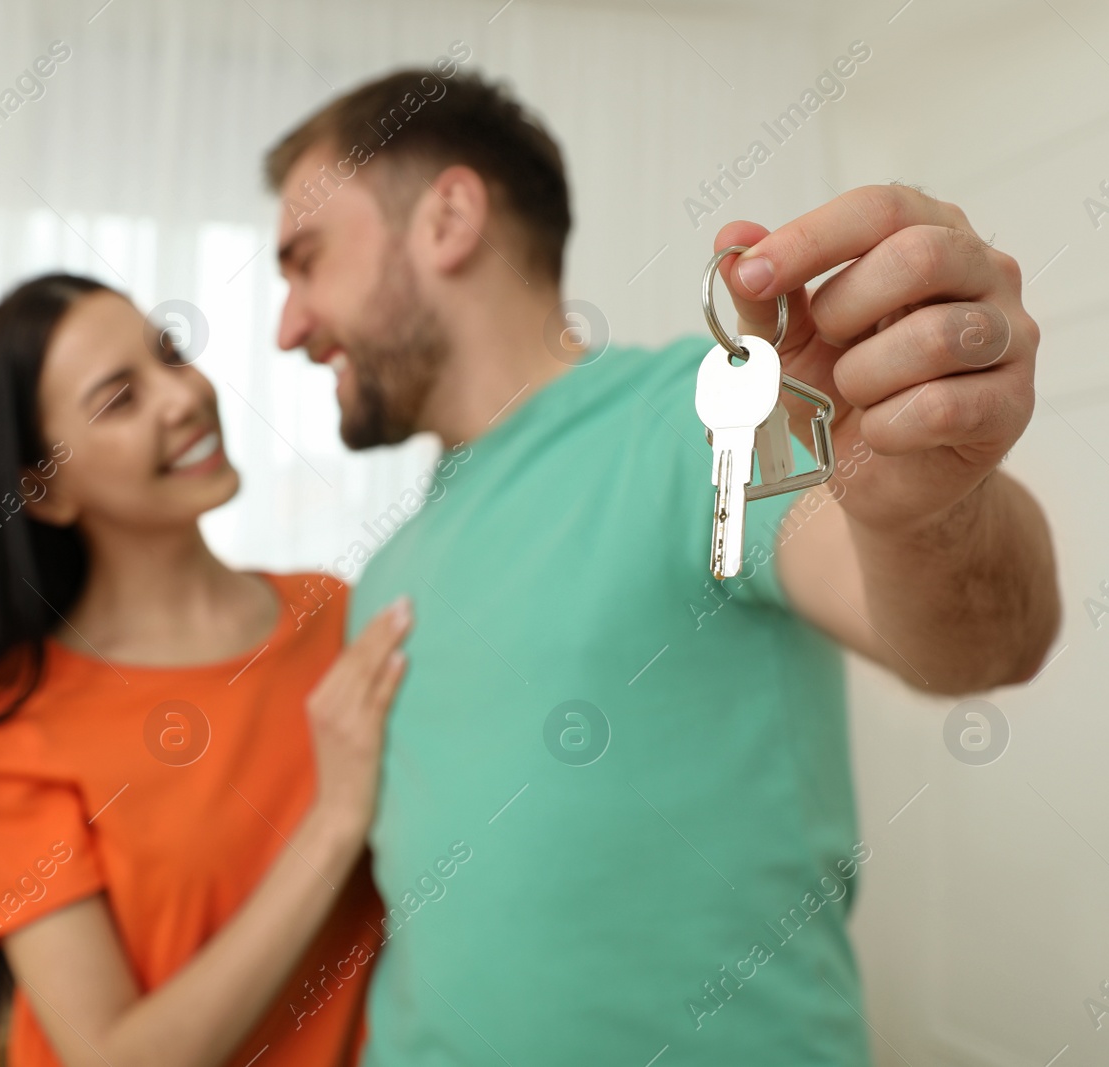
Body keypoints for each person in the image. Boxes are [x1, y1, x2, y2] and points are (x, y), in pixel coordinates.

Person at [264, 68, 1061, 1064]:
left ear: (447, 219)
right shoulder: (382, 574)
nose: (286, 326)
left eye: (304, 260)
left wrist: (929, 503)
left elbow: (981, 646)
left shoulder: (703, 418)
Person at [0, 274, 412, 1067]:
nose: (182, 398)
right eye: (121, 399)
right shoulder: (15, 737)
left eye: (170, 356)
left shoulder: (338, 617)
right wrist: (332, 824)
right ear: (41, 491)